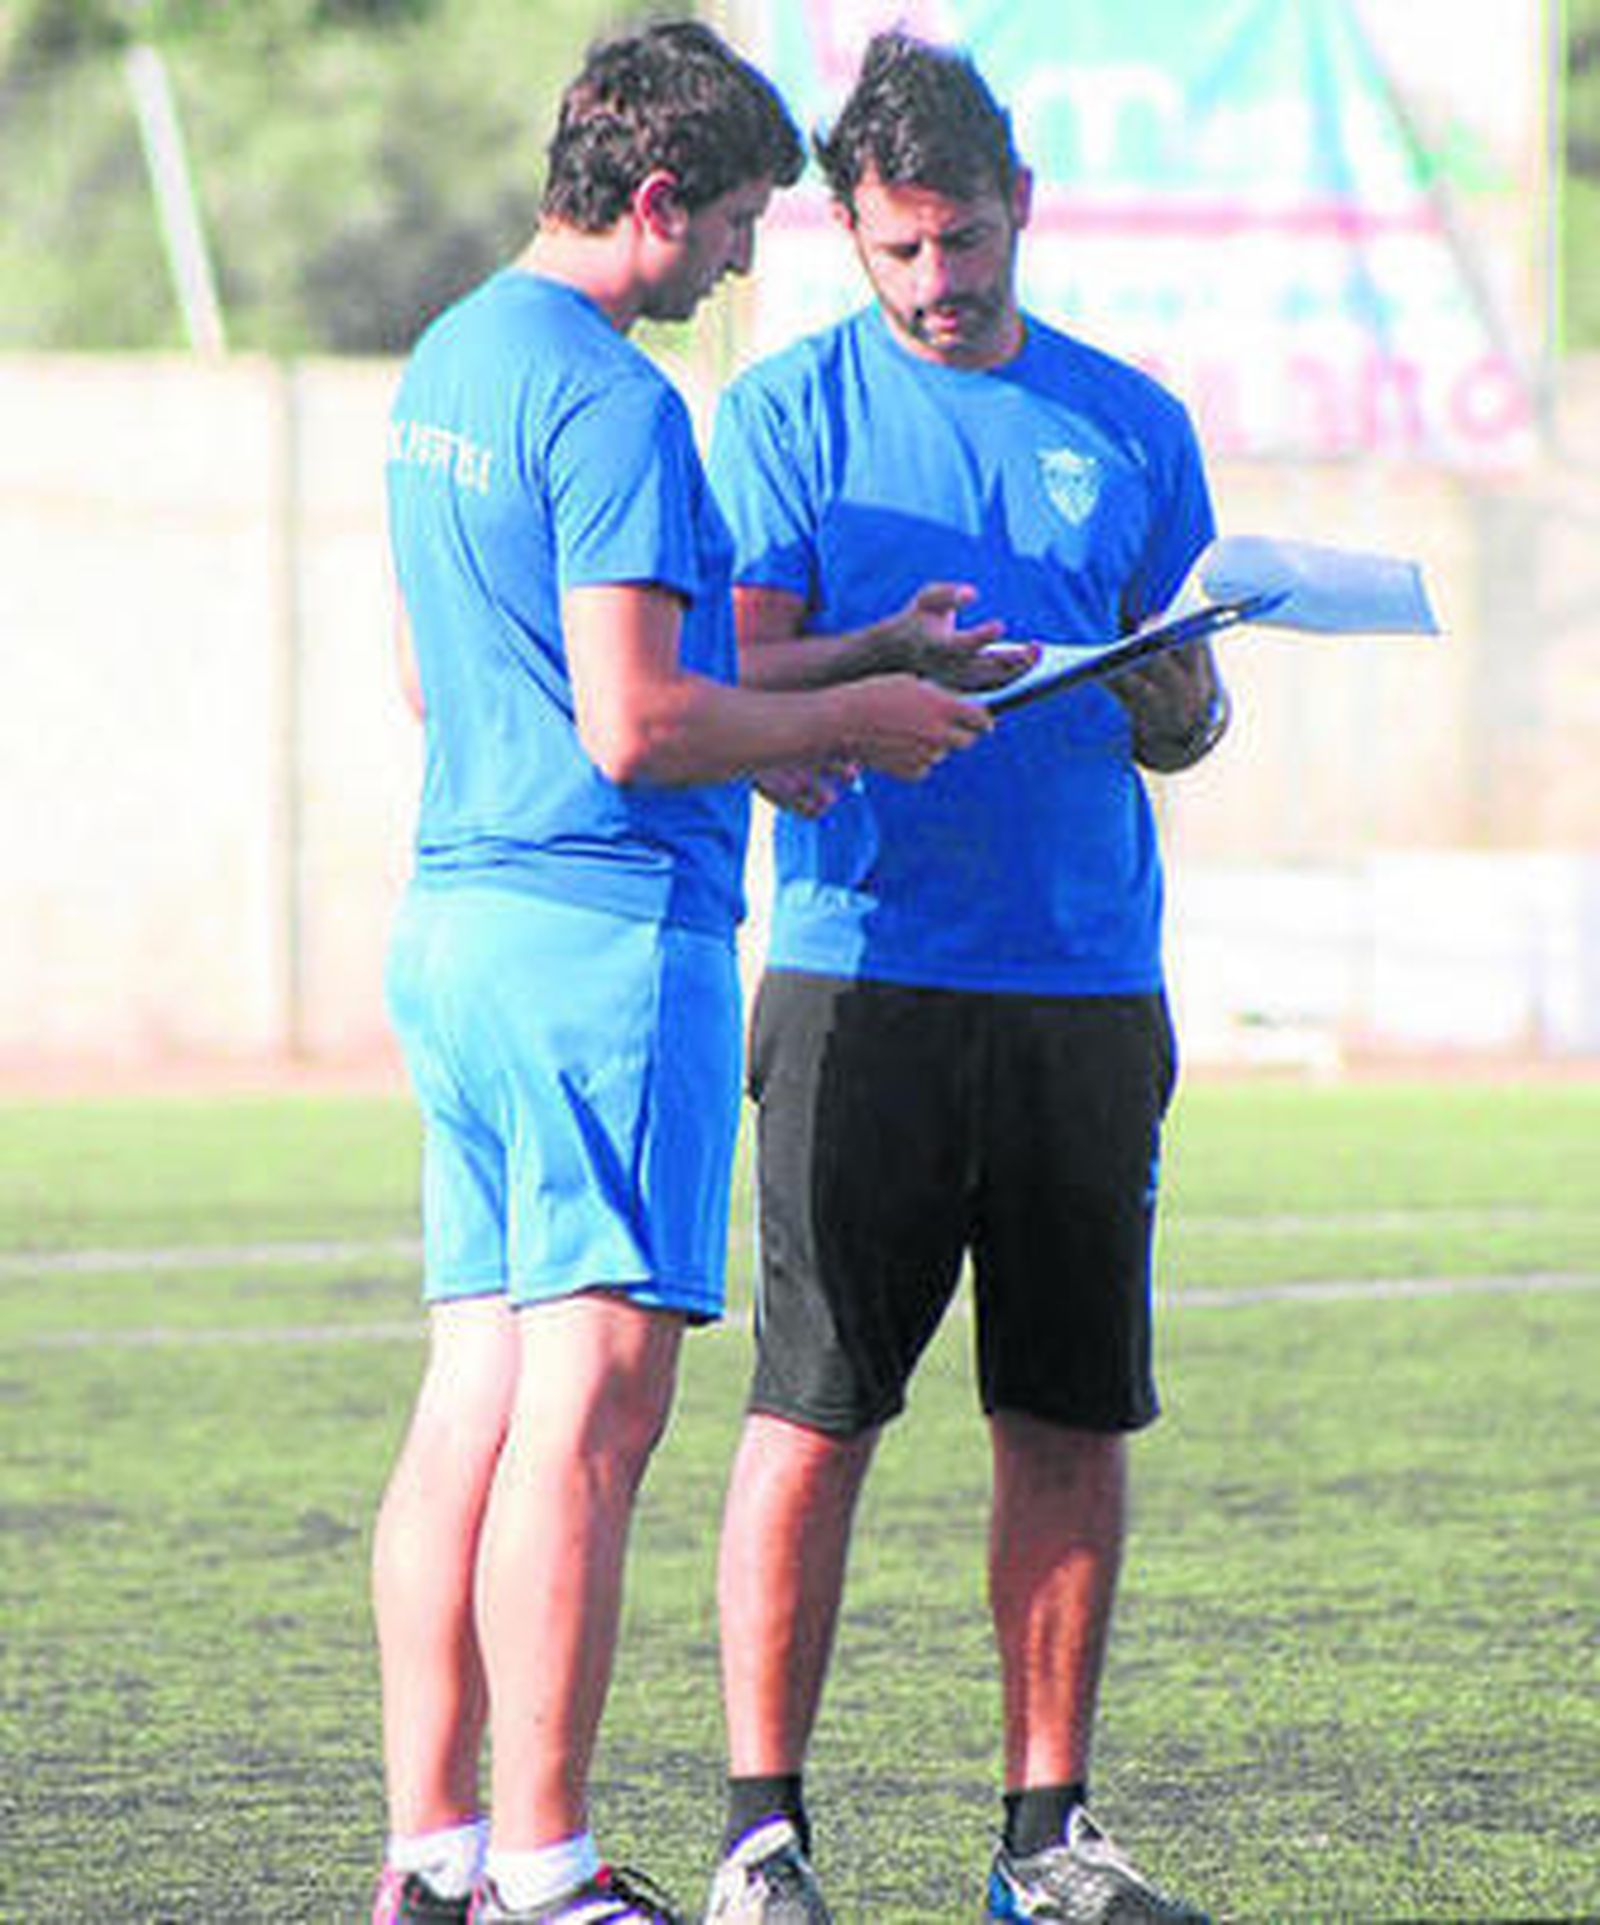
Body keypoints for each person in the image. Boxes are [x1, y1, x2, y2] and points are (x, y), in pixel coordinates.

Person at [369, 23, 996, 1925]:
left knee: (470, 1394)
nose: (739, 262)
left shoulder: (453, 354)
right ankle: (552, 1873)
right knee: (596, 1409)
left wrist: (847, 663)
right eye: (730, 224)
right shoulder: (617, 399)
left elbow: (469, 678)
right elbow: (639, 726)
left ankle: (434, 1853)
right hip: (600, 946)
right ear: (655, 202)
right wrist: (871, 719)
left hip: (460, 929)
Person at [701, 31, 1224, 1925]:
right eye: (905, 248)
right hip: (863, 976)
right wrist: (880, 675)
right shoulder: (784, 417)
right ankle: (766, 1836)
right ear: (850, 229)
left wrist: (1183, 702)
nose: (942, 281)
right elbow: (725, 683)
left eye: (971, 242)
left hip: (1088, 984)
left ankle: (1046, 1840)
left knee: (1070, 1411)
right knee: (816, 1405)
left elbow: (1189, 707)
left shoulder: (1136, 419)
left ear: (1026, 211)